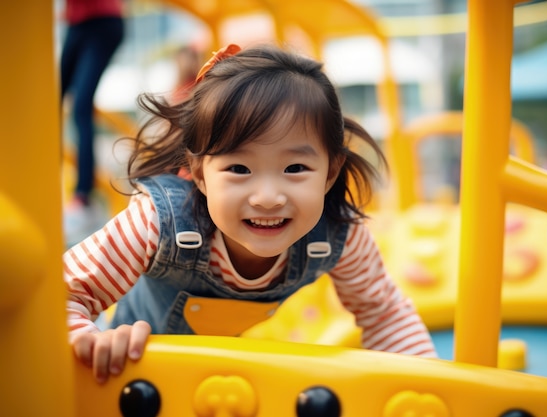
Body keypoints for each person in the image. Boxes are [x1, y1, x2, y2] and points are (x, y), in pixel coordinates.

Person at [65, 44, 437, 384]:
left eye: (294, 169)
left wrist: (427, 387)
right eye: (239, 169)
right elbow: (62, 294)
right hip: (131, 382)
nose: (268, 198)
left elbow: (384, 313)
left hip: (217, 386)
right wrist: (90, 341)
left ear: (331, 172)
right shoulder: (157, 224)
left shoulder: (338, 234)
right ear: (199, 174)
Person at [60, 0, 125, 245]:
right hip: (77, 22)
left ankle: (82, 196)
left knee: (81, 106)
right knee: (51, 99)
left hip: (101, 20)